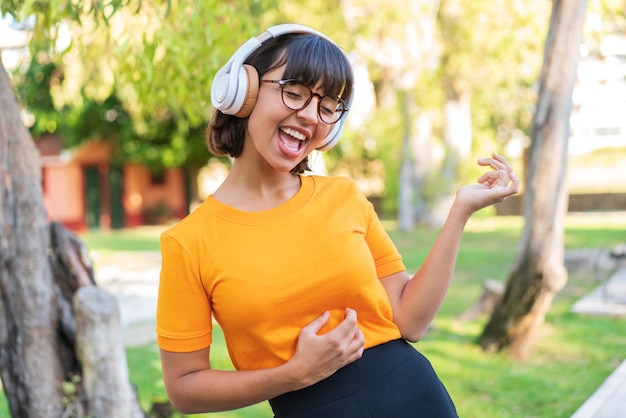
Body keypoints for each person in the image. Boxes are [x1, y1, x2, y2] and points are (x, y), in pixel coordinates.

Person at [156, 23, 520, 417]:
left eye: (328, 107)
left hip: (417, 398)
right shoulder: (188, 242)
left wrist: (460, 211)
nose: (311, 116)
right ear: (244, 91)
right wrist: (293, 374)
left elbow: (411, 322)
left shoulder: (344, 197)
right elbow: (184, 389)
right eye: (294, 93)